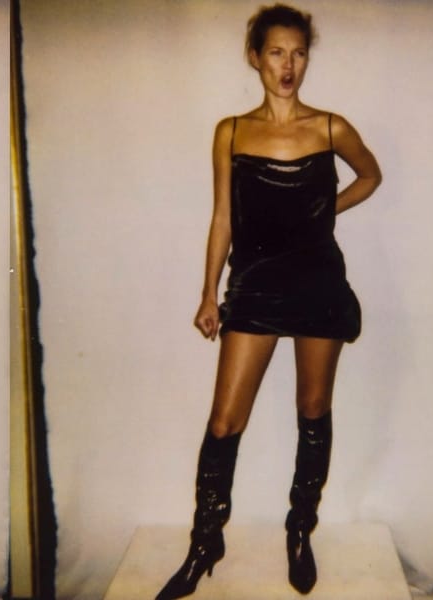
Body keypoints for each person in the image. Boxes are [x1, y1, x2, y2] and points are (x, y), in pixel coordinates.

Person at [156, 4, 381, 598]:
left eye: (299, 53)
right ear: (255, 57)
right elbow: (223, 217)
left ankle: (299, 530)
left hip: (318, 283)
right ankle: (206, 541)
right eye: (277, 52)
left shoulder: (331, 127)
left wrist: (323, 213)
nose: (288, 65)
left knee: (313, 409)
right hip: (254, 283)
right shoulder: (230, 131)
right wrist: (208, 293)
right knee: (224, 421)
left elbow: (371, 175)